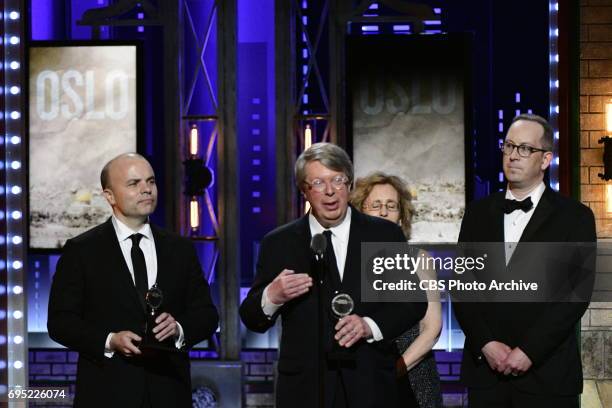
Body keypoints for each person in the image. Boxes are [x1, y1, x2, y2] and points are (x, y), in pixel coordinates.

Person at [240, 143, 427, 408]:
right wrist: (272, 296)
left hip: (370, 385)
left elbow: (412, 303)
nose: (330, 191)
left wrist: (368, 325)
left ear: (349, 185)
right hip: (304, 391)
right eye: (317, 182)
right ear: (304, 190)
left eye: (337, 180)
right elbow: (251, 318)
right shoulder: (280, 243)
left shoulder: (382, 235)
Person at [47, 153, 219, 408]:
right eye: (134, 183)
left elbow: (206, 315)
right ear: (109, 196)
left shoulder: (180, 249)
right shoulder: (82, 250)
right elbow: (60, 322)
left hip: (169, 392)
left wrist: (179, 329)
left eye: (150, 181)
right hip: (107, 393)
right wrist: (110, 340)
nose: (146, 189)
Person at [454, 114, 596, 408]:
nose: (514, 156)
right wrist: (487, 344)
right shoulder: (477, 214)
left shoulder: (575, 217)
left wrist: (529, 351)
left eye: (525, 149)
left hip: (548, 375)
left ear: (545, 160)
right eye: (509, 146)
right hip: (486, 375)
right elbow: (463, 287)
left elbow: (573, 297)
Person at [351, 172, 443, 408]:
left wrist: (396, 369)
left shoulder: (419, 259)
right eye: (376, 205)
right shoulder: (349, 261)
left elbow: (432, 328)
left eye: (391, 206)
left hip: (412, 374)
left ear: (401, 216)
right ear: (361, 211)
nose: (383, 212)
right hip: (363, 376)